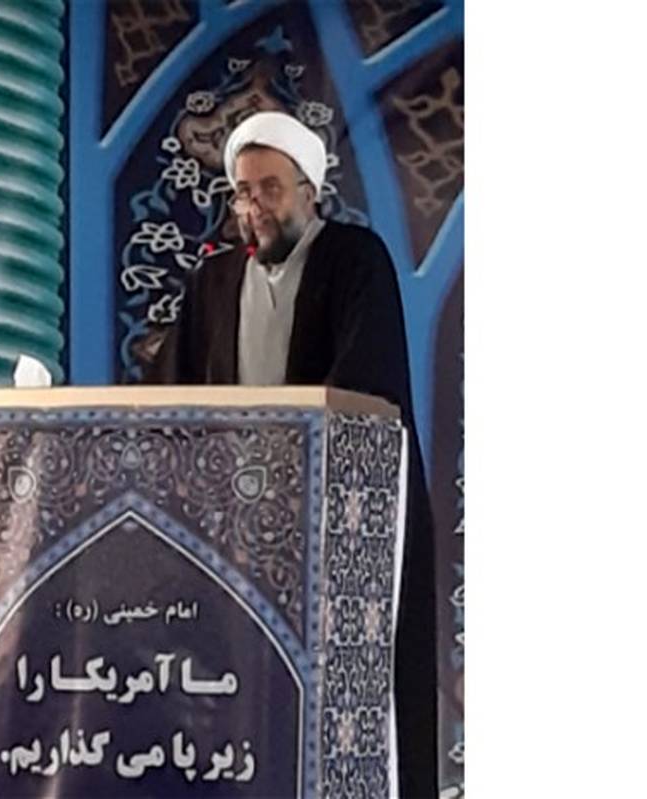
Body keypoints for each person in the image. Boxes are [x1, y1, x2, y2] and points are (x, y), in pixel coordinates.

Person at [145, 110, 438, 798]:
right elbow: (168, 395)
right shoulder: (213, 282)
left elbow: (365, 385)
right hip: (235, 535)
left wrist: (281, 462)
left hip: (335, 529)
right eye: (243, 192)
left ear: (310, 190)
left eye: (270, 189)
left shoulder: (355, 259)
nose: (254, 207)